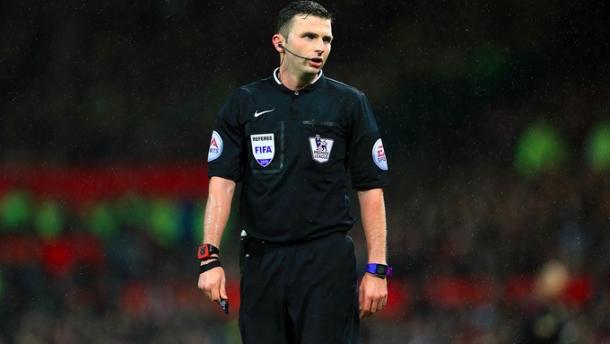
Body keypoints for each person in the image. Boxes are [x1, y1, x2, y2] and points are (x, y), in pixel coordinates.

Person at [197, 1, 390, 342]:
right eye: (309, 36)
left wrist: (377, 269)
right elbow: (222, 184)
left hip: (326, 261)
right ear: (279, 43)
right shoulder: (245, 102)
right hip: (262, 260)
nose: (320, 47)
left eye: (327, 39)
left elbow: (371, 188)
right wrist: (209, 258)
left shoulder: (349, 103)